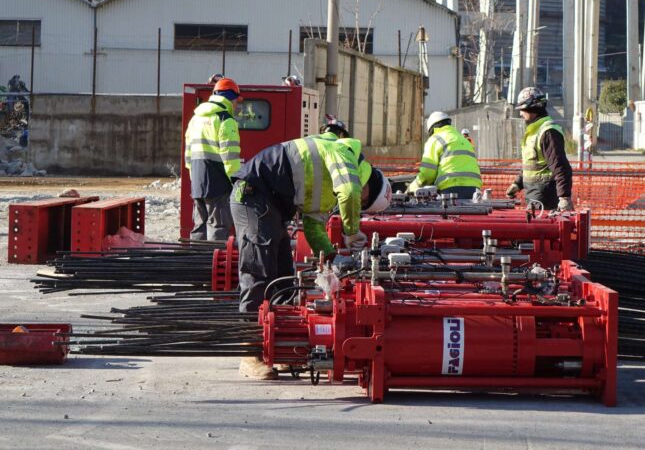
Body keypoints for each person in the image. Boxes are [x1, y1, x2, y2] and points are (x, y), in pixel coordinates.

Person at [231, 135, 391, 379]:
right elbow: (349, 193)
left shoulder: (329, 189)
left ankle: (276, 347)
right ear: (369, 182)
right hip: (253, 193)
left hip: (270, 203)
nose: (360, 200)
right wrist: (353, 235)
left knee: (283, 277)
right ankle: (250, 352)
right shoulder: (346, 154)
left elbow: (314, 226)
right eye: (365, 199)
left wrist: (331, 257)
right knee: (259, 271)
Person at [184, 77, 242, 240]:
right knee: (218, 226)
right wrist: (237, 182)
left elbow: (188, 156)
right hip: (218, 184)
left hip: (197, 182)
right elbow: (230, 158)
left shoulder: (195, 119)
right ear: (231, 98)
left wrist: (195, 179)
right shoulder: (225, 120)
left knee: (200, 226)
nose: (237, 105)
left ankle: (197, 262)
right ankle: (212, 264)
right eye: (237, 100)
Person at [505, 87, 573, 211]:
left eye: (522, 109)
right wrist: (518, 183)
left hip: (544, 196)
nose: (520, 114)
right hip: (534, 194)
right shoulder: (533, 132)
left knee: (540, 230)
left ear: (532, 109)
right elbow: (533, 164)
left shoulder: (548, 132)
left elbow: (561, 167)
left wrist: (564, 197)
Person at [407, 112, 481, 199]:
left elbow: (427, 175)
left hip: (450, 187)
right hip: (475, 189)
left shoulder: (435, 139)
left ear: (432, 129)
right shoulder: (463, 140)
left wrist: (411, 188)